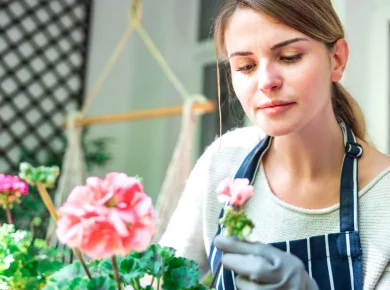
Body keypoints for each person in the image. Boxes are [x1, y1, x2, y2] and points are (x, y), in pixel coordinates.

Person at [159, 0, 390, 289]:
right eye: (246, 66)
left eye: (290, 57)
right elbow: (158, 281)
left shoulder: (385, 199)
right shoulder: (222, 163)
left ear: (338, 59)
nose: (266, 82)